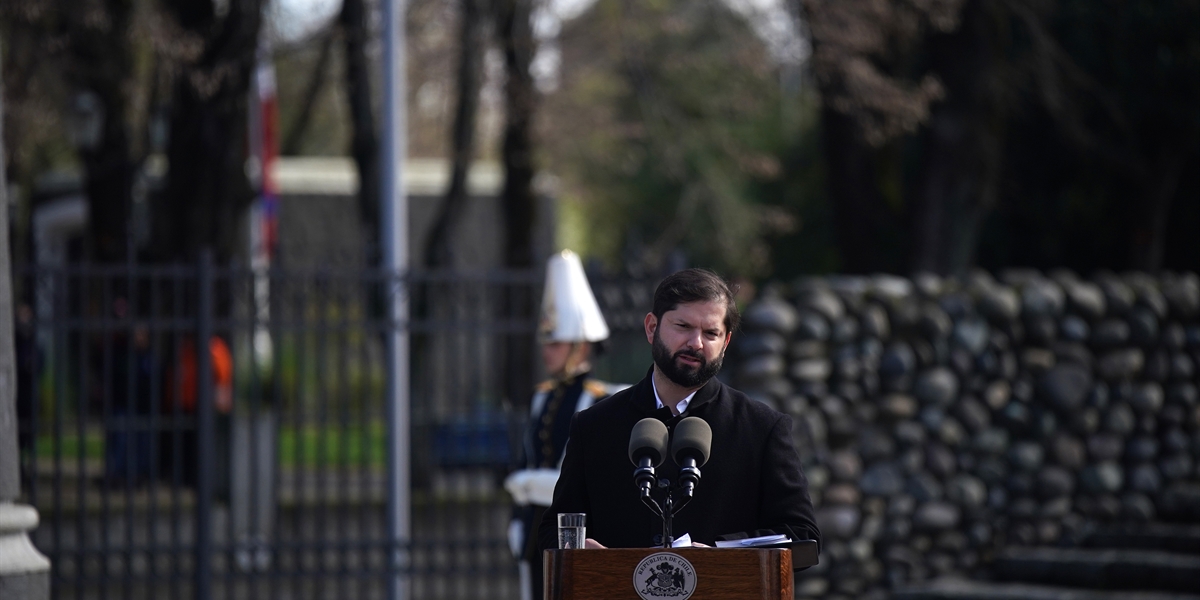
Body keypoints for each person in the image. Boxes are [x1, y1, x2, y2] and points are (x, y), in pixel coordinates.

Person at [537, 268, 820, 555]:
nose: (696, 343)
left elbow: (801, 537)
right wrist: (579, 548)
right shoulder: (594, 426)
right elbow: (553, 531)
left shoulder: (762, 429)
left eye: (711, 333)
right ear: (651, 328)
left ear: (726, 343)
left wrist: (720, 556)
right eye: (683, 326)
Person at [505, 250, 625, 600]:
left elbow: (588, 478)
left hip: (576, 530)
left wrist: (527, 485)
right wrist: (517, 515)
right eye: (546, 340)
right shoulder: (541, 397)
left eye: (555, 341)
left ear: (580, 345)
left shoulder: (602, 399)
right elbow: (527, 457)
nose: (547, 350)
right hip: (534, 529)